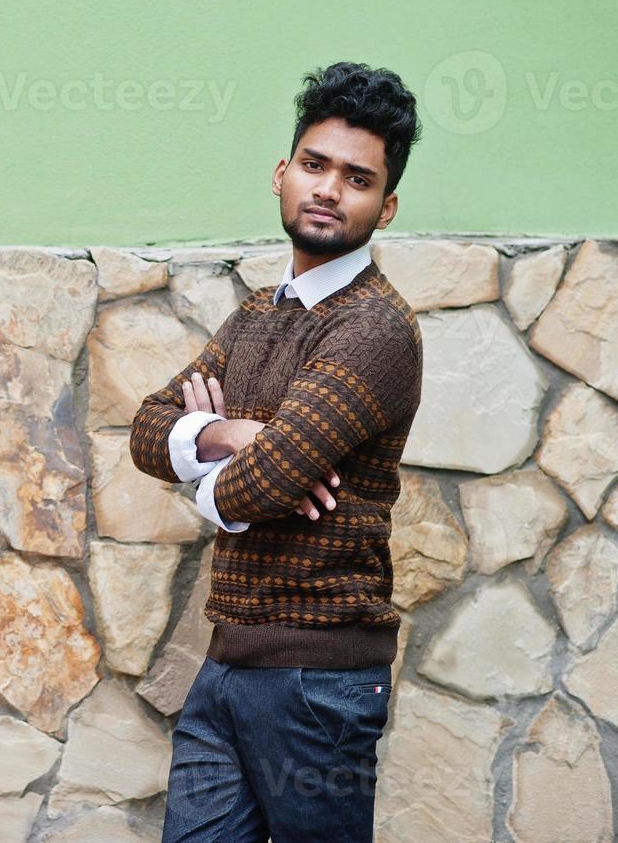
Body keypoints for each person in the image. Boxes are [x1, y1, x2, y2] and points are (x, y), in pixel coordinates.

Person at [130, 61, 425, 843]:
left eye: (356, 179)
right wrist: (231, 436)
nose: (328, 189)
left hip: (319, 681)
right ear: (281, 174)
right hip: (225, 667)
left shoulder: (374, 330)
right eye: (314, 165)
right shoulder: (257, 316)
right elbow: (143, 429)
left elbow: (251, 492)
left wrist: (229, 471)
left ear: (384, 207)